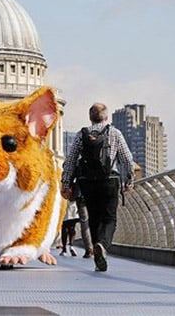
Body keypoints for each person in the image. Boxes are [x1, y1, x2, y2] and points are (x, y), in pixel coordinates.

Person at [61, 103, 135, 272]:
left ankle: (96, 252)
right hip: (109, 180)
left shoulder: (82, 135)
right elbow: (127, 159)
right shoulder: (115, 133)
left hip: (87, 182)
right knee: (109, 218)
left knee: (93, 218)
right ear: (106, 117)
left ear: (90, 118)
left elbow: (71, 161)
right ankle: (102, 245)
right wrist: (129, 180)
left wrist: (66, 184)